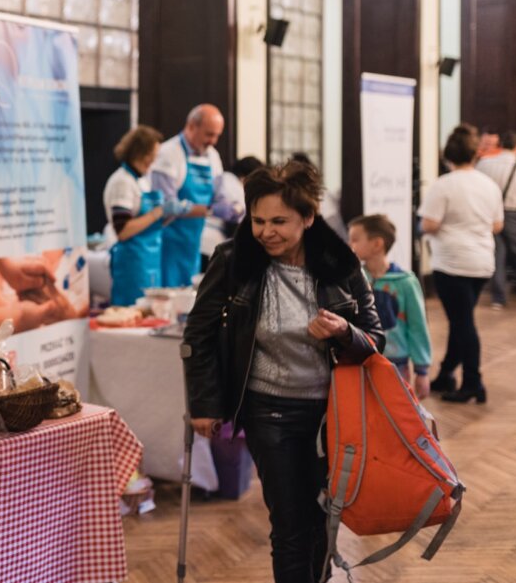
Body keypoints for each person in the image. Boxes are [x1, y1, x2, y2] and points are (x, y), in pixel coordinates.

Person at [183, 161, 383, 583]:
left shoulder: (342, 264)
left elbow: (375, 339)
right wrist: (204, 403)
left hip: (335, 415)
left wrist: (344, 331)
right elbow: (197, 335)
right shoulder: (234, 259)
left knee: (323, 522)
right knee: (291, 525)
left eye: (279, 221)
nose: (266, 231)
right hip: (268, 411)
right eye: (257, 220)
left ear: (308, 218)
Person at [419, 125, 503, 404]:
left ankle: (473, 382)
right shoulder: (488, 185)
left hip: (452, 262)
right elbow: (497, 224)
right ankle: (445, 375)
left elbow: (429, 224)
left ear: (448, 155)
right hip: (481, 262)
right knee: (460, 320)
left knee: (463, 322)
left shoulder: (444, 185)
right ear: (474, 154)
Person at [348, 214, 432, 399]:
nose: (349, 245)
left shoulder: (406, 283)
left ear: (377, 244)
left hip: (396, 364)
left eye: (355, 240)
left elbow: (418, 327)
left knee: (395, 410)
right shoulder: (353, 279)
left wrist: (422, 370)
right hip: (361, 361)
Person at [151, 104, 225, 287]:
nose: (213, 141)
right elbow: (166, 206)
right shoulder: (168, 154)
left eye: (217, 135)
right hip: (166, 243)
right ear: (192, 126)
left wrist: (230, 205)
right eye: (209, 134)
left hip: (192, 244)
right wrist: (210, 210)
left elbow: (218, 193)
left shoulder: (212, 156)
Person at [104, 125, 169, 305]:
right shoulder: (122, 182)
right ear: (141, 153)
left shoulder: (141, 181)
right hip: (131, 264)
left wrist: (171, 215)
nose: (155, 159)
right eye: (153, 154)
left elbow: (147, 224)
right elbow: (123, 230)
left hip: (149, 261)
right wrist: (158, 212)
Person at [475, 129, 516, 309]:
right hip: (513, 214)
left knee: (497, 256)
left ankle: (498, 298)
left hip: (490, 214)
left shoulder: (484, 164)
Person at [200, 156, 263, 271]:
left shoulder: (222, 178)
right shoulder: (236, 187)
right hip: (211, 242)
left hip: (200, 237)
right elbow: (234, 221)